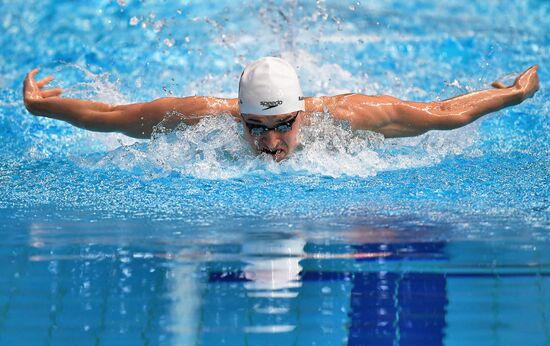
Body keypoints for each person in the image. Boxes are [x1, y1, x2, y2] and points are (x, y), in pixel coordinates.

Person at [23, 57, 539, 162]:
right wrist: (45, 110)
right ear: (237, 117)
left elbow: (444, 113)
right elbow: (110, 117)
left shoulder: (349, 116)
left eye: (282, 126)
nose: (270, 144)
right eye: (255, 128)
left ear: (302, 114)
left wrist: (512, 95)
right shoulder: (202, 116)